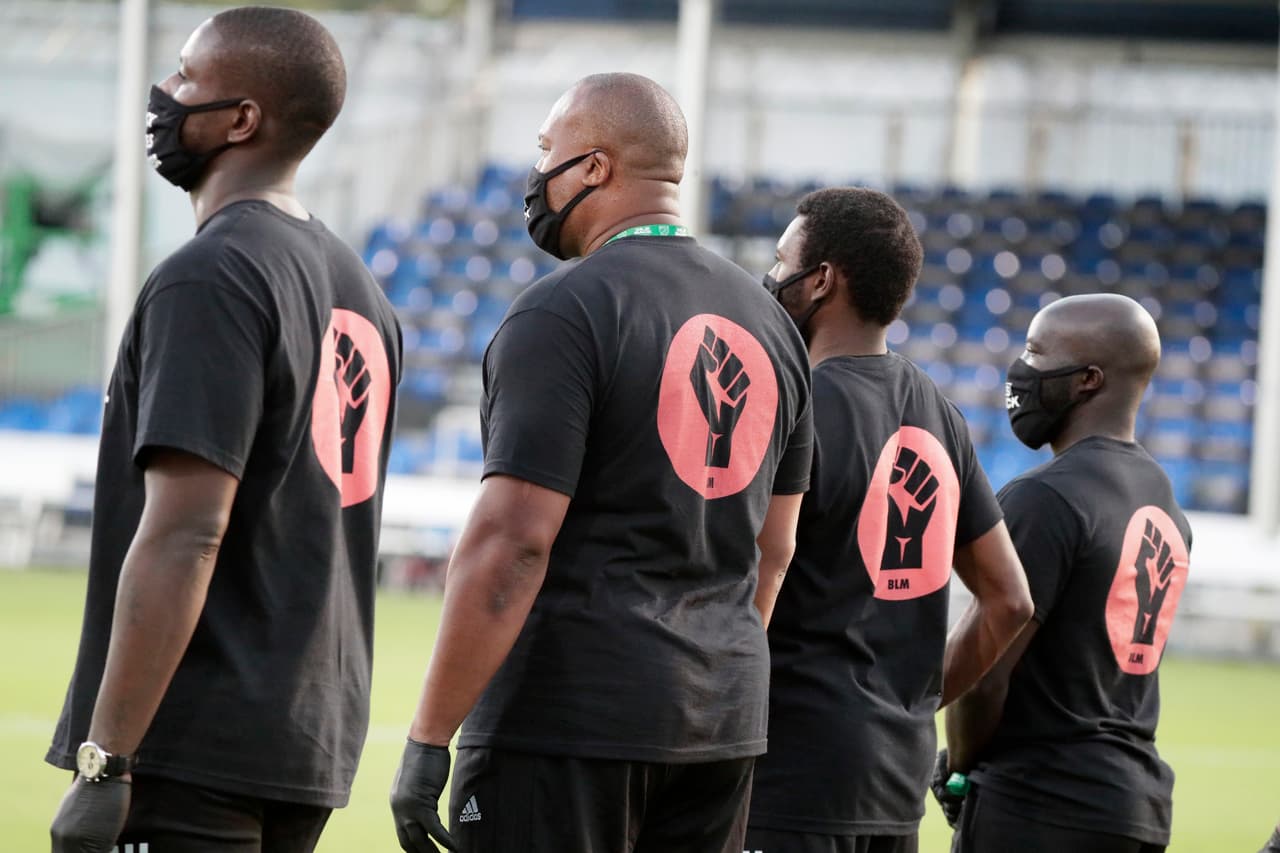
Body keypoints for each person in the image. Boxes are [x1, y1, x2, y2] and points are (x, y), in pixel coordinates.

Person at [388, 72, 813, 853]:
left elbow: (513, 541)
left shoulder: (564, 308)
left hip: (569, 722)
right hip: (721, 725)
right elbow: (775, 546)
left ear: (595, 166)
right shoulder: (772, 323)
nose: (536, 173)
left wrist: (427, 737)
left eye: (547, 150)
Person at [47, 7, 401, 852]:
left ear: (242, 118)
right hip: (305, 740)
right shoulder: (362, 289)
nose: (163, 94)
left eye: (184, 75)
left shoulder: (212, 275)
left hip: (191, 744)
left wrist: (105, 762)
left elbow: (187, 534)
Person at [741, 187, 1033, 853]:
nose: (772, 276)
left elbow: (744, 576)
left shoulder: (793, 406)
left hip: (789, 781)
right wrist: (912, 703)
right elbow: (1009, 599)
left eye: (782, 260)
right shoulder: (938, 411)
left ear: (821, 280)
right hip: (894, 788)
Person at [941, 293, 1192, 853]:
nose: (1020, 370)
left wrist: (956, 765)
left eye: (1035, 352)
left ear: (1088, 380)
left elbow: (985, 675)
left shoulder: (1045, 498)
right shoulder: (1163, 501)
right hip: (1134, 809)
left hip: (1039, 803)